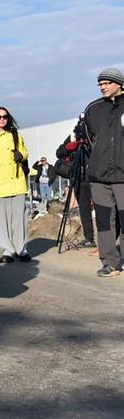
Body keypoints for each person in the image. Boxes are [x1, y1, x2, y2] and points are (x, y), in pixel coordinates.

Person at [83, 67, 124, 277]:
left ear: (119, 83)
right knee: (104, 221)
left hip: (123, 176)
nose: (102, 87)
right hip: (99, 177)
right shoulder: (93, 109)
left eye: (107, 83)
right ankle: (110, 263)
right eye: (100, 84)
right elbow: (89, 138)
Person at [0, 106, 31, 264]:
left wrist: (21, 155)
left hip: (17, 182)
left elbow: (25, 152)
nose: (2, 119)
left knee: (20, 219)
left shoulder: (16, 135)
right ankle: (7, 250)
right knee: (0, 221)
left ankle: (21, 249)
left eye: (4, 116)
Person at [56, 130, 95, 248]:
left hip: (95, 177)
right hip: (79, 178)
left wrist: (89, 144)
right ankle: (89, 238)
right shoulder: (74, 136)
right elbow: (59, 153)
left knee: (102, 209)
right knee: (84, 210)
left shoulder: (94, 135)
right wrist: (70, 146)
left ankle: (108, 240)